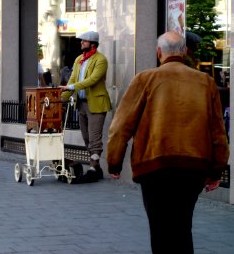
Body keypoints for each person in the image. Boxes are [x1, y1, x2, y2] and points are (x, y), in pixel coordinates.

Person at [106, 31, 229, 254]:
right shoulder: (205, 82)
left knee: (160, 228)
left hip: (155, 167)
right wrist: (216, 171)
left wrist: (114, 162)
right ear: (184, 51)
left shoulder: (145, 79)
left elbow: (120, 126)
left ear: (159, 52)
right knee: (183, 226)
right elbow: (218, 132)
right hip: (193, 167)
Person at [59, 31, 111, 173]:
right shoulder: (78, 60)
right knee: (87, 138)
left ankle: (93, 167)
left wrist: (72, 87)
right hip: (81, 104)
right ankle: (97, 168)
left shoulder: (101, 60)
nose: (81, 43)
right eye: (81, 41)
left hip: (96, 104)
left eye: (84, 41)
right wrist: (59, 99)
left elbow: (92, 80)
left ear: (92, 44)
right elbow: (72, 80)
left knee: (94, 138)